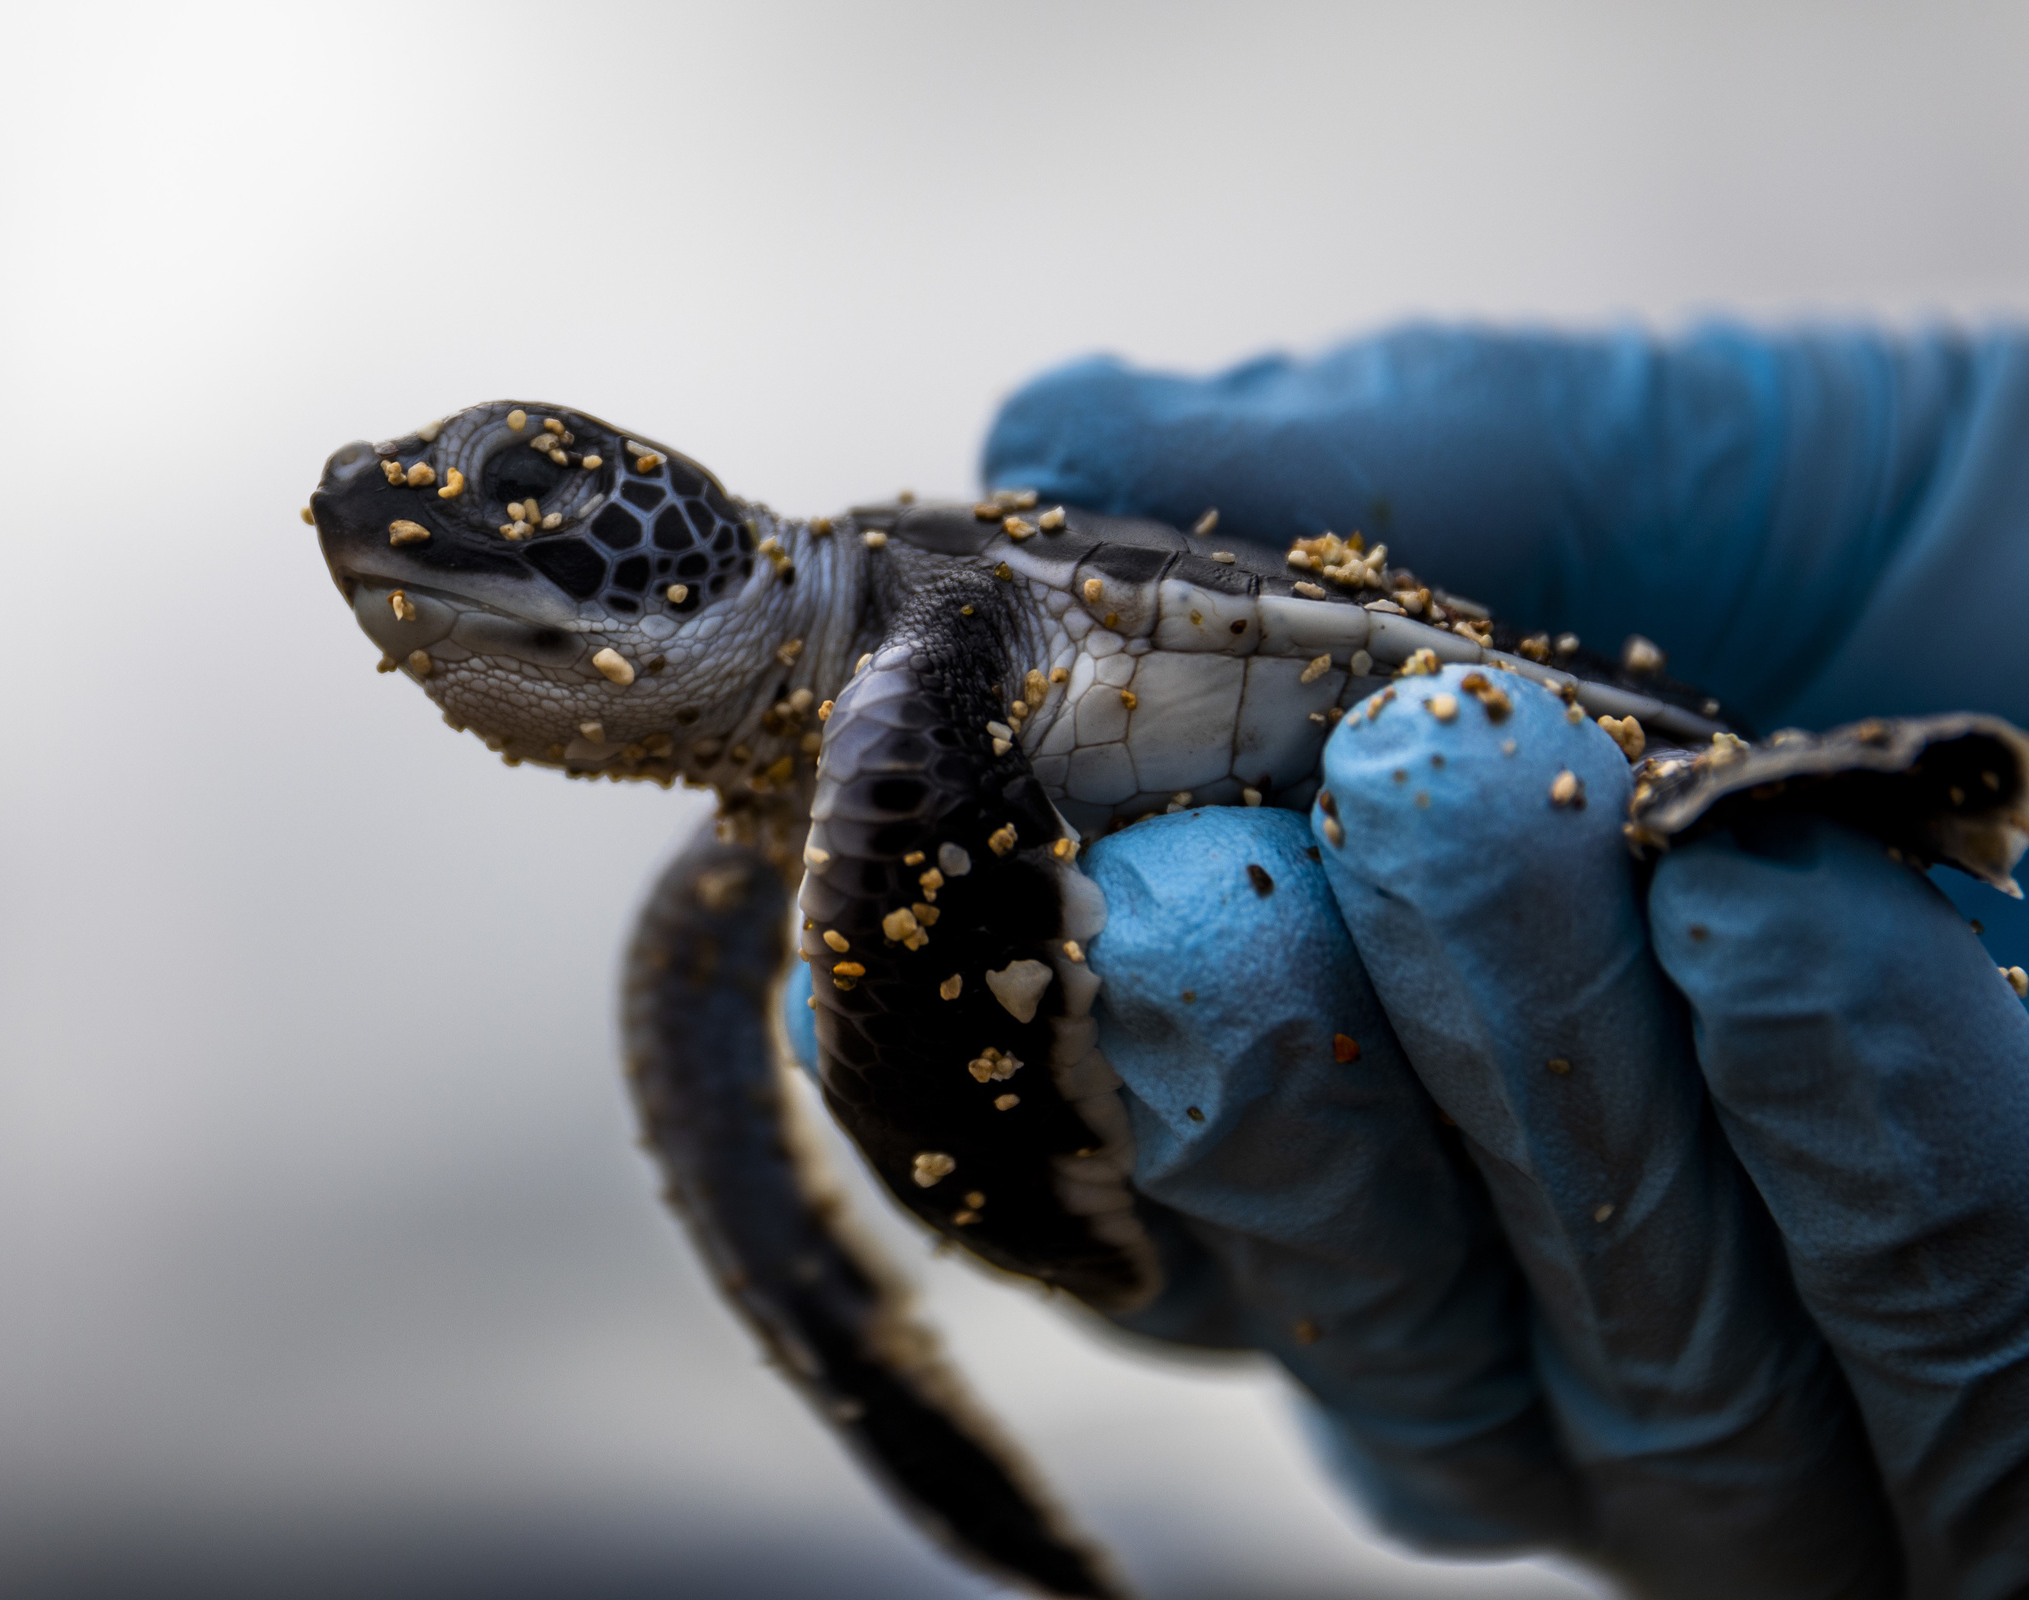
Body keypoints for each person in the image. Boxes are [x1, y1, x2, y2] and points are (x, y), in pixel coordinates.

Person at [799, 329, 2029, 1599]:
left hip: (1464, 727)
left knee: (1655, 843)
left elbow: (915, 991)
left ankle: (1876, 803)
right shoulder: (774, 801)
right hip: (1442, 852)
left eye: (571, 514)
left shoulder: (905, 668)